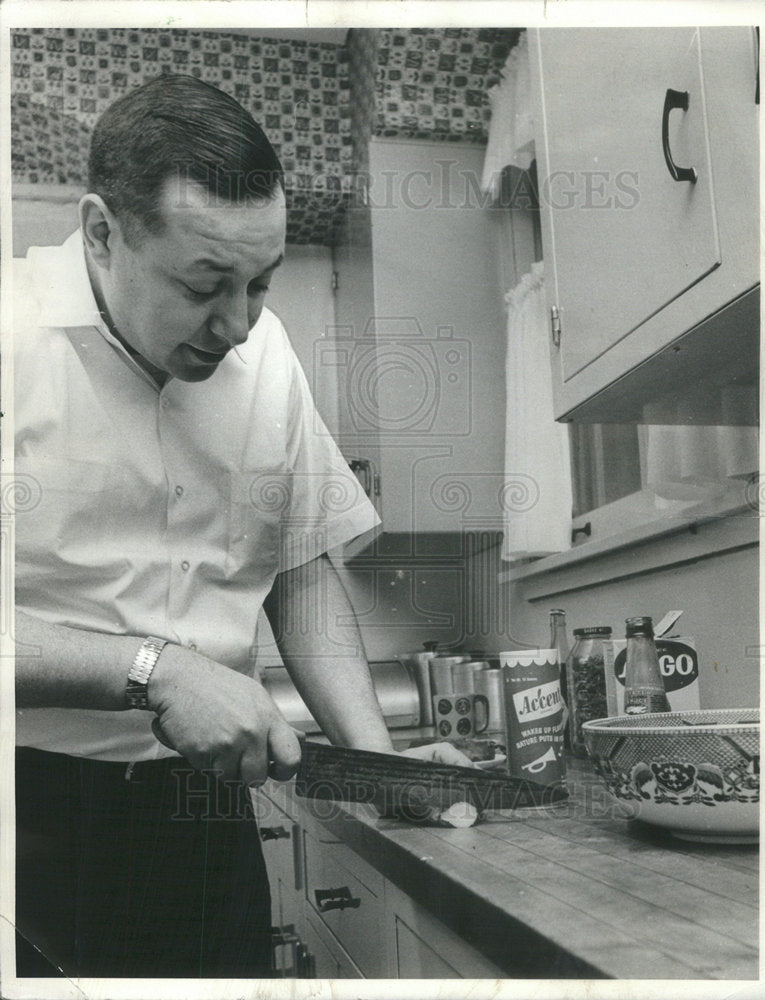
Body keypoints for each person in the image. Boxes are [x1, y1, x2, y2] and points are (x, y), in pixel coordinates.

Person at [12, 73, 469, 979]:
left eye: (261, 282)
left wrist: (380, 765)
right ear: (102, 232)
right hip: (26, 813)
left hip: (204, 820)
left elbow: (300, 575)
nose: (237, 323)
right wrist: (157, 672)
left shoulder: (268, 359)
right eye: (204, 283)